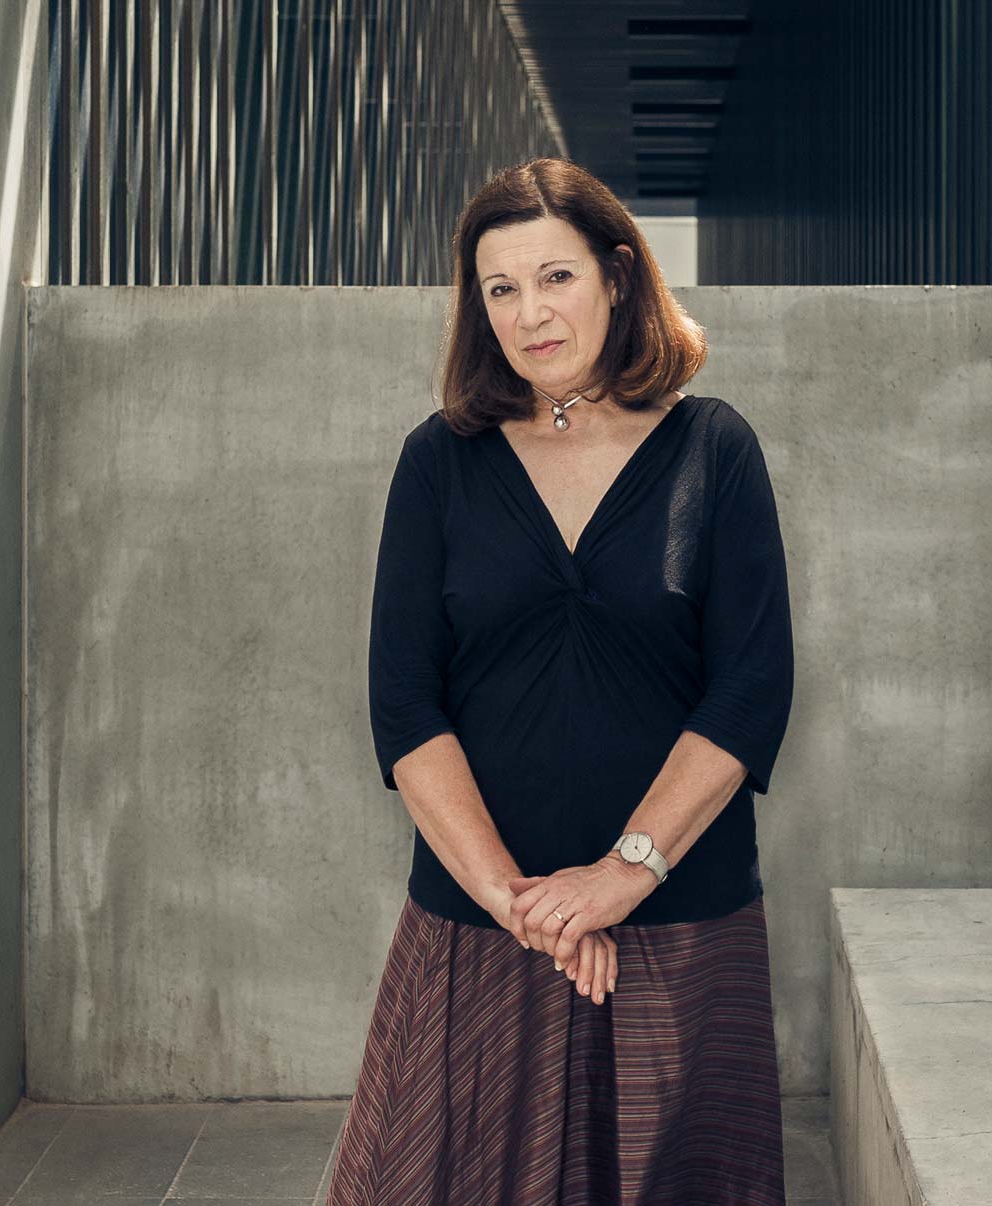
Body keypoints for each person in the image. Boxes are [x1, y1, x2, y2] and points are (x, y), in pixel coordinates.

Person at [318, 157, 796, 1205]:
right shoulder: (439, 462)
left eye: (555, 278)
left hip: (678, 920)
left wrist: (619, 878)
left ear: (618, 277)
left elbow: (751, 691)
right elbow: (404, 701)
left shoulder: (714, 452)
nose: (530, 313)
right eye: (500, 290)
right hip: (481, 927)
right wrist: (523, 903)